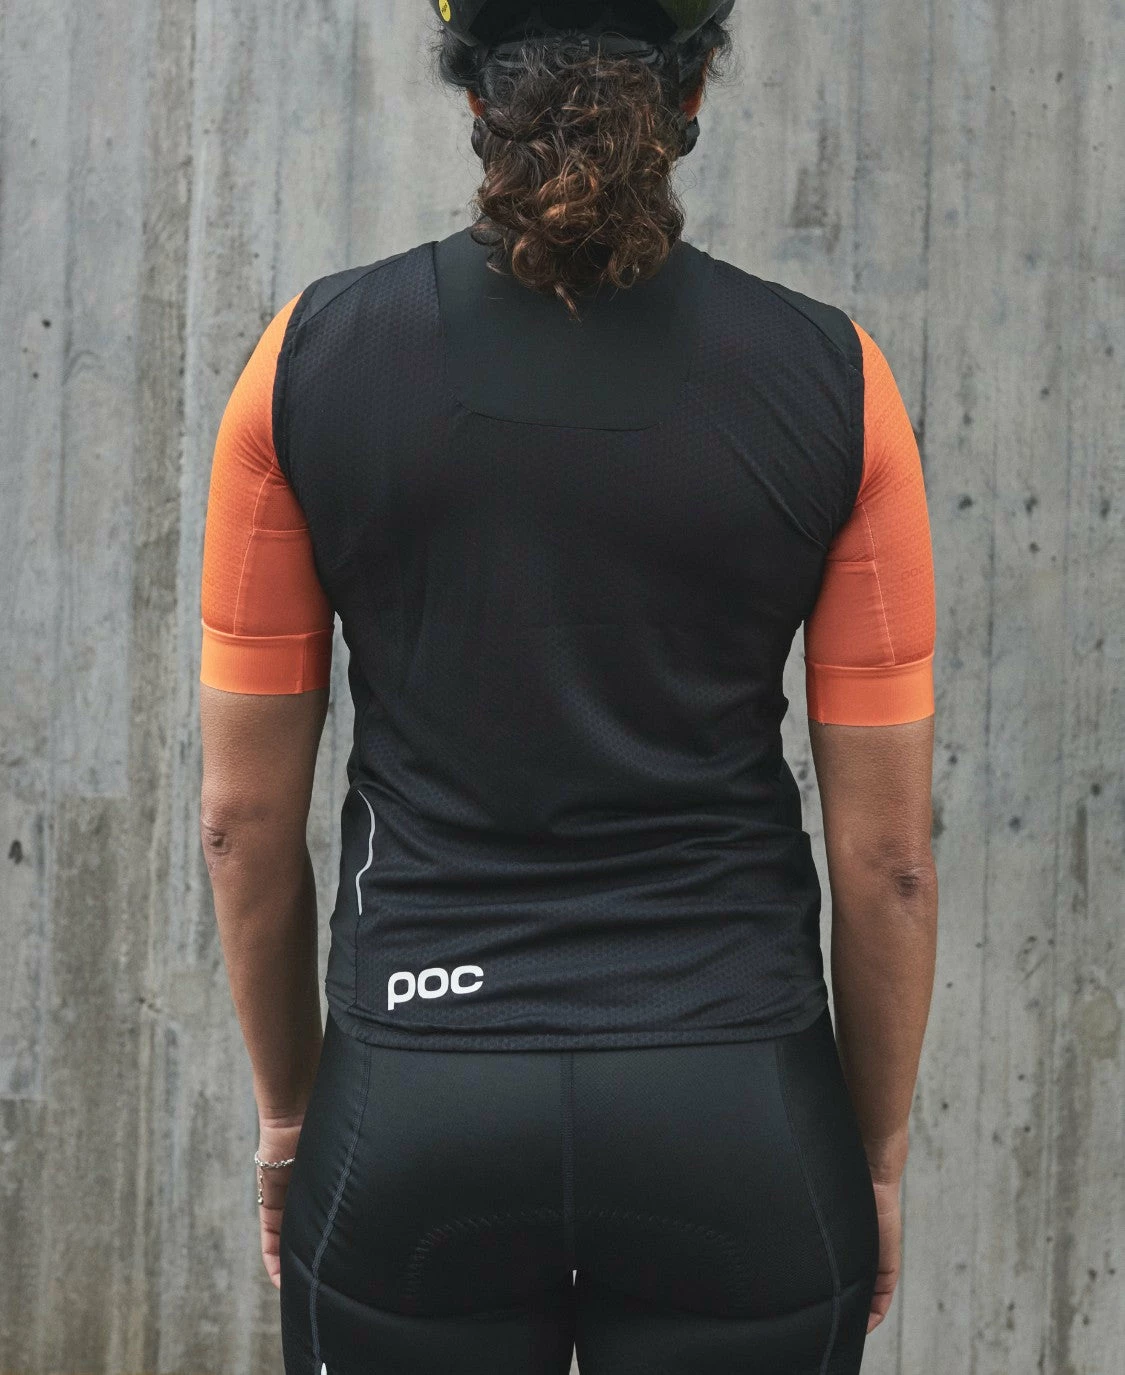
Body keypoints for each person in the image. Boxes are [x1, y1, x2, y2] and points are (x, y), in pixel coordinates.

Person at [197, 1, 938, 1371]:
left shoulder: (306, 362)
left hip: (417, 1089)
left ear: (476, 98)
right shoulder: (838, 381)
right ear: (693, 96)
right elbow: (889, 860)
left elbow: (241, 825)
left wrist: (296, 1119)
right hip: (738, 1104)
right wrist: (874, 1155)